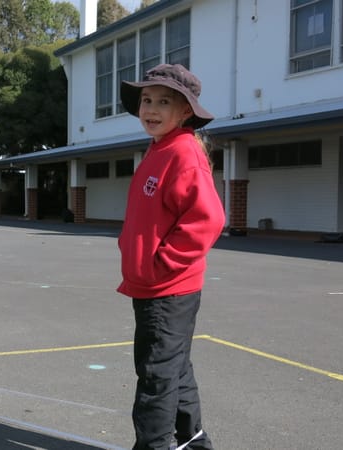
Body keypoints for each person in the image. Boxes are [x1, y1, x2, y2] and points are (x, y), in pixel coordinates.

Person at [117, 64, 224, 450]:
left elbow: (207, 219)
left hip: (167, 288)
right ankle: (193, 441)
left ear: (184, 112)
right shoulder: (159, 149)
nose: (152, 108)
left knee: (156, 376)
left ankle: (154, 445)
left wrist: (160, 265)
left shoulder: (182, 152)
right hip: (155, 286)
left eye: (164, 102)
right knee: (174, 367)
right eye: (147, 100)